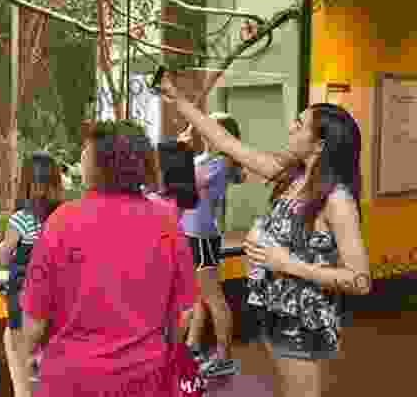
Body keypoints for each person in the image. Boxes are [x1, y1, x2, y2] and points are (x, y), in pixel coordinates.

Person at [158, 73, 370, 397]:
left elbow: (360, 280)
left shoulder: (336, 198)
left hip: (302, 321)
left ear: (320, 143)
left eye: (299, 125)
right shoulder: (291, 176)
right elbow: (228, 143)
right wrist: (180, 101)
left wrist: (286, 262)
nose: (290, 129)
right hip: (274, 311)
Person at [19, 119, 202, 397]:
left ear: (100, 163)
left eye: (85, 150)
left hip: (72, 380)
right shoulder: (167, 220)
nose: (80, 157)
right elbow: (184, 314)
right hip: (146, 378)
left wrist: (30, 353)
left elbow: (34, 325)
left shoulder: (62, 222)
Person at [0, 151, 64, 397]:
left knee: (17, 355)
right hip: (57, 305)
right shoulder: (63, 218)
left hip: (24, 305)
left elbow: (3, 258)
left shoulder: (21, 219)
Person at [176, 115, 244, 378]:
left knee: (213, 297)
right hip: (192, 233)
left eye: (209, 126)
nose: (203, 129)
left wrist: (181, 150)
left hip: (203, 236)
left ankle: (224, 356)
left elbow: (188, 180)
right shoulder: (203, 160)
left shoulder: (220, 163)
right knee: (198, 296)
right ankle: (193, 346)